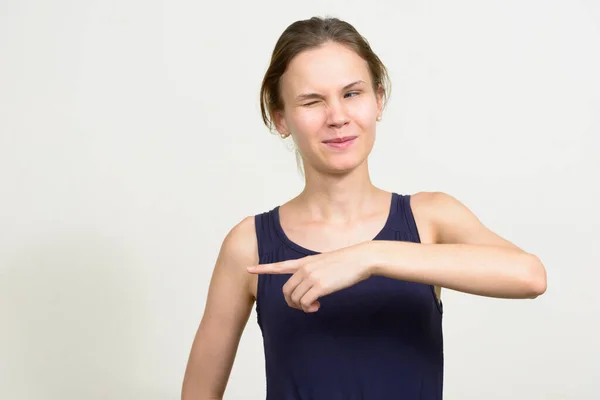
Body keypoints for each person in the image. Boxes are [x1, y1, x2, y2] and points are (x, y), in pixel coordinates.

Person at [181, 16, 547, 400]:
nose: (337, 117)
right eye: (312, 101)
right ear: (281, 117)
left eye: (352, 93)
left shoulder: (430, 219)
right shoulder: (249, 245)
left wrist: (370, 256)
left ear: (378, 100)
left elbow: (530, 276)